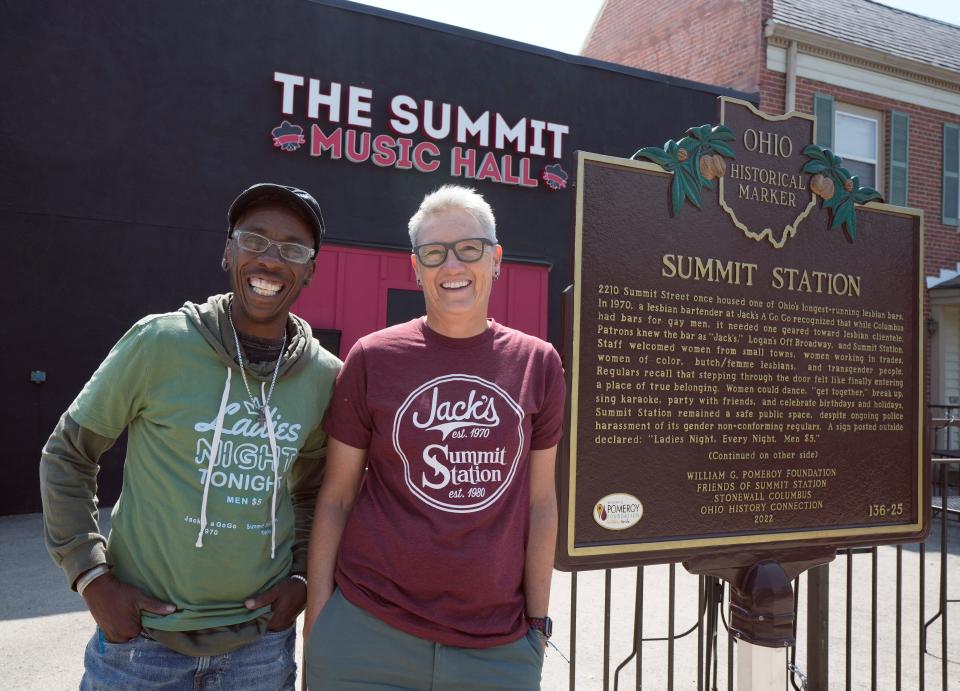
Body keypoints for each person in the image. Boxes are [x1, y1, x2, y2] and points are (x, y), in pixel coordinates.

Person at [40, 183, 341, 690]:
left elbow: (313, 489)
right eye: (254, 240)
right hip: (142, 647)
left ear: (309, 270)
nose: (271, 259)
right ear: (228, 250)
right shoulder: (160, 343)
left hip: (259, 651)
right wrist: (91, 577)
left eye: (293, 249)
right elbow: (68, 454)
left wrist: (301, 580)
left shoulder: (323, 377)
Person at [304, 185, 565, 690]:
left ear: (496, 260)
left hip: (498, 646)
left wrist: (535, 625)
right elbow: (335, 497)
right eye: (434, 253)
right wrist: (320, 622)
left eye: (469, 249)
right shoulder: (372, 357)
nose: (452, 266)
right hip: (366, 632)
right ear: (415, 266)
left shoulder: (538, 363)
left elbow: (541, 504)